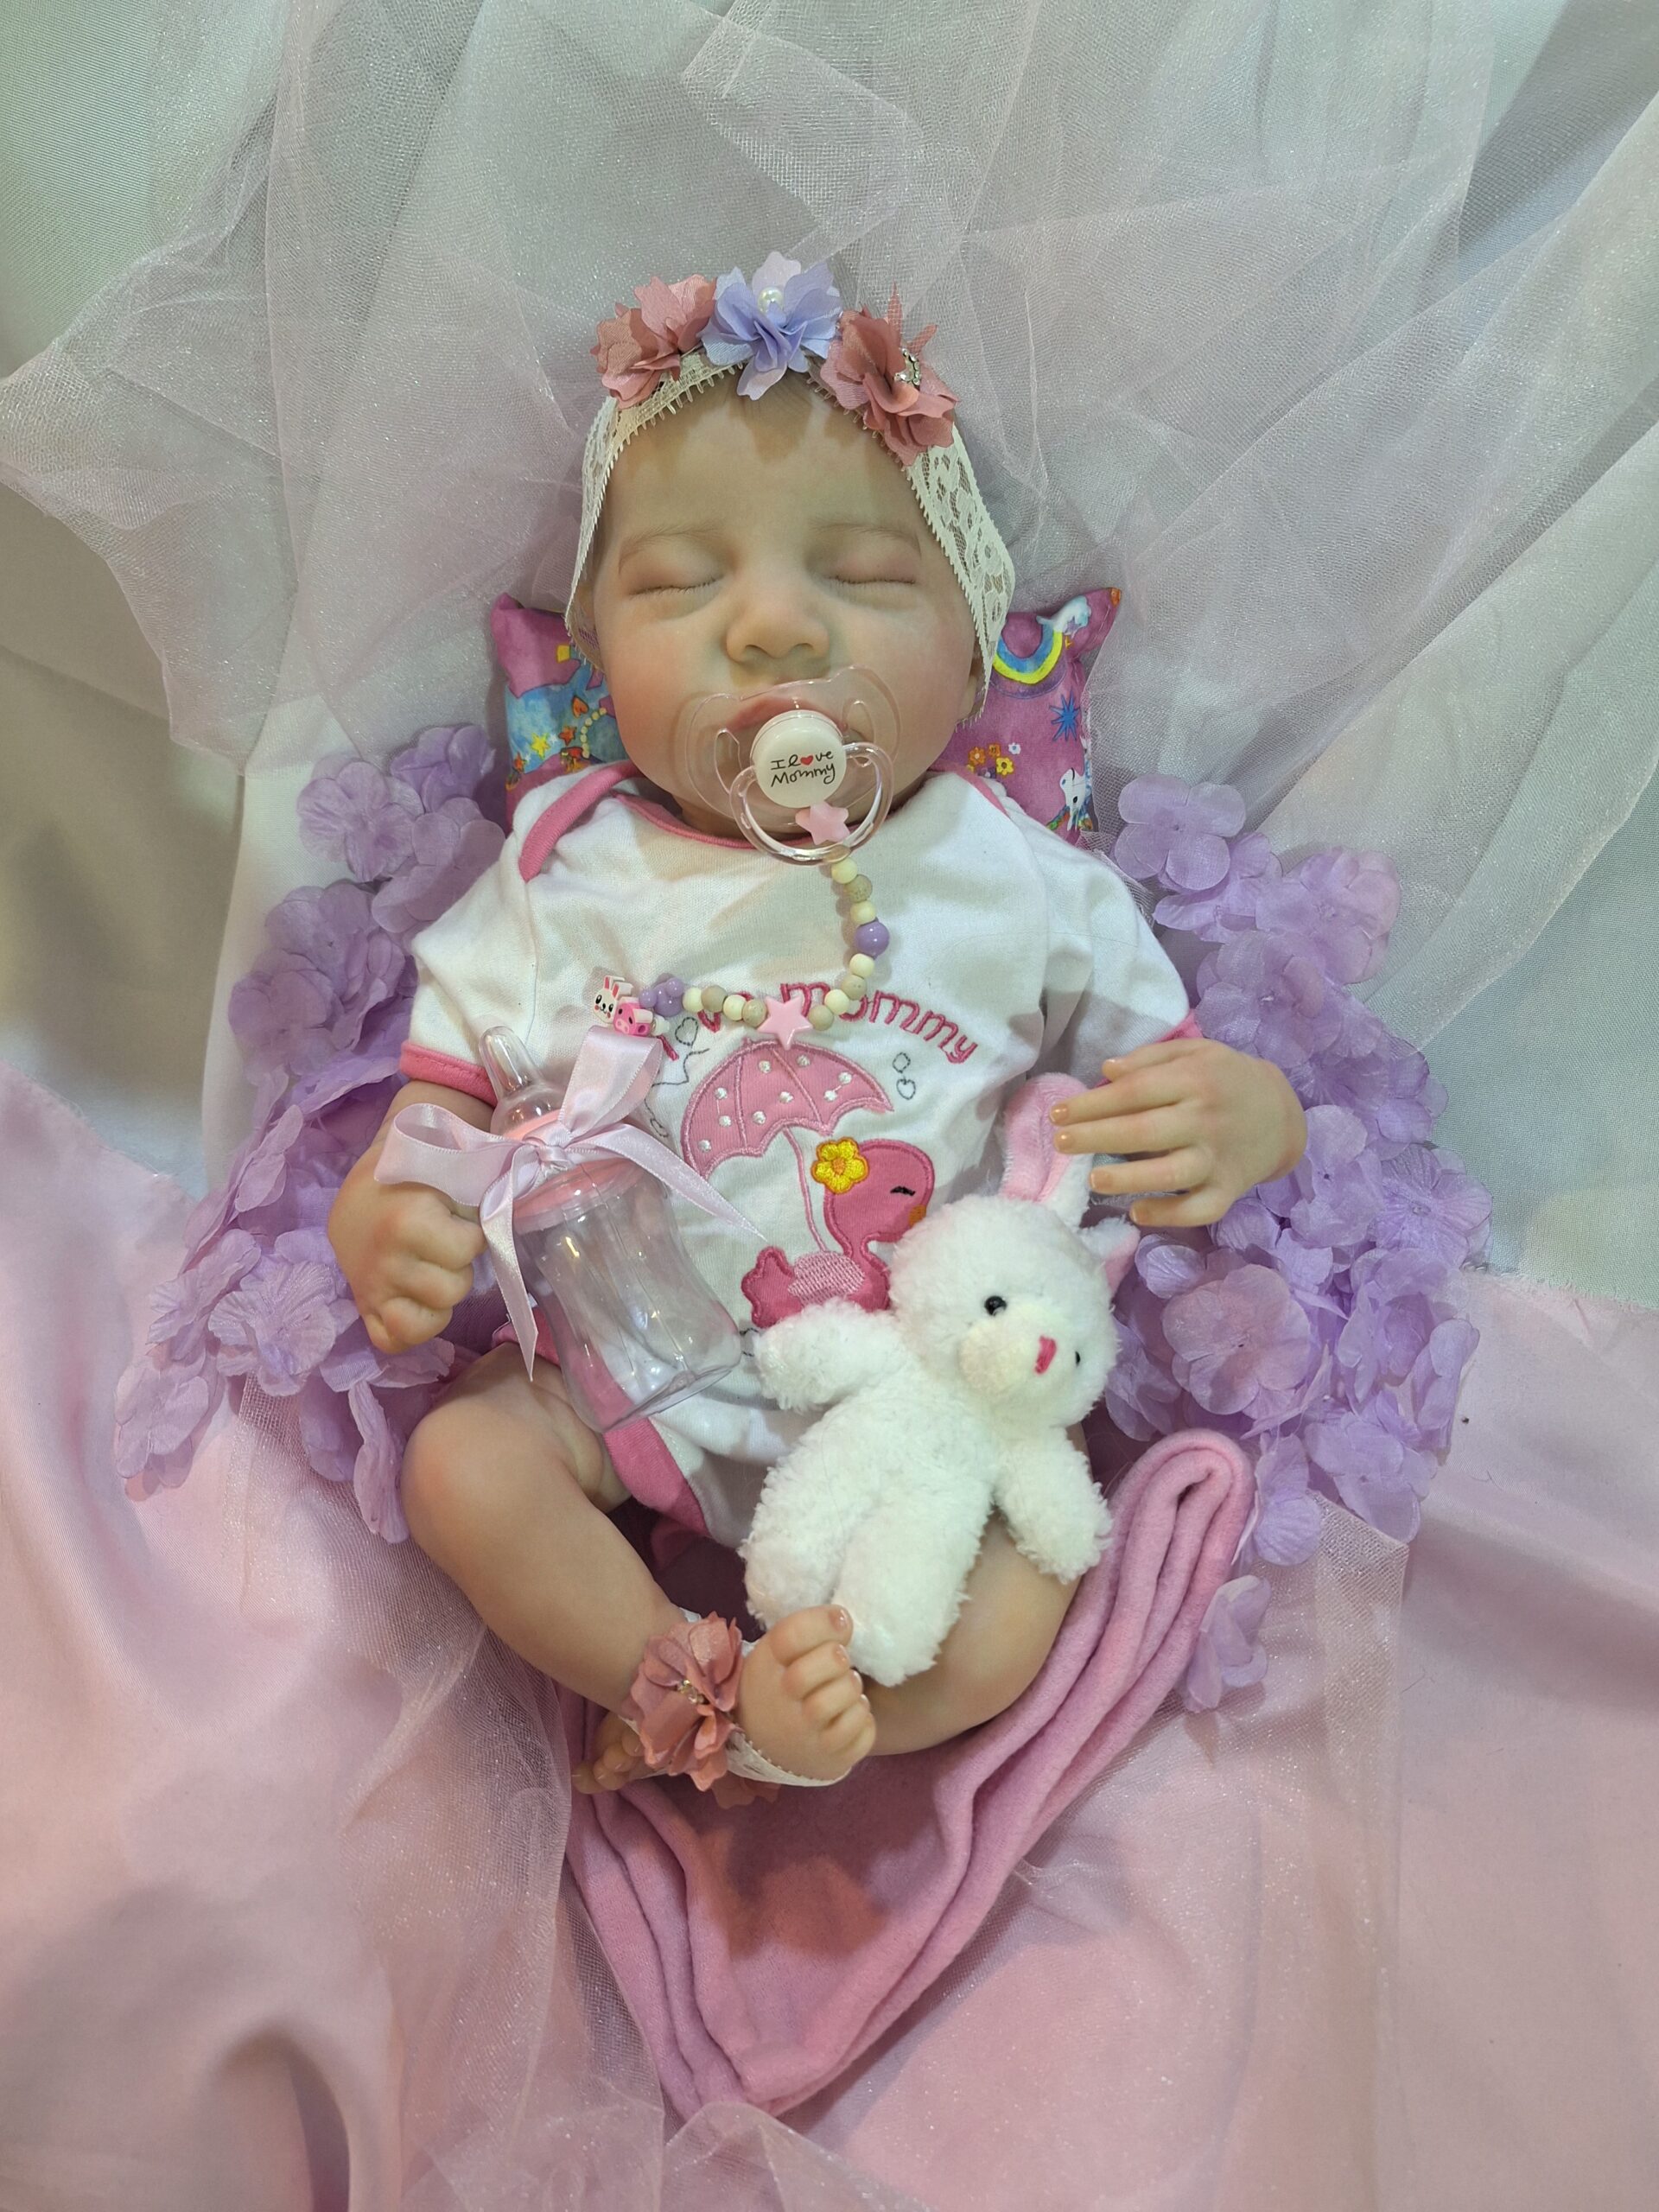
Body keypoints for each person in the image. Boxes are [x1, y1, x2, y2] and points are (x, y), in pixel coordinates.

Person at [327, 257, 1306, 1802]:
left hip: (930, 1404)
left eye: (860, 578)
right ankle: (679, 1686)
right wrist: (381, 1215)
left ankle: (832, 1730)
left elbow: (1158, 1075)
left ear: (973, 654)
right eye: (679, 585)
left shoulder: (1012, 876)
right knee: (462, 1464)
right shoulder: (569, 869)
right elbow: (435, 1105)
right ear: (596, 652)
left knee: (1013, 1610)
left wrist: (1252, 1115)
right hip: (631, 1377)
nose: (776, 629)